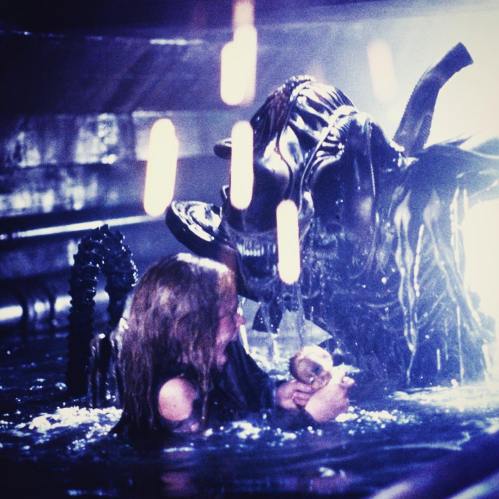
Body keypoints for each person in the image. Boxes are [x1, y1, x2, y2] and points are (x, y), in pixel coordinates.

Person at [115, 253, 353, 438]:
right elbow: (222, 458)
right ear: (193, 328)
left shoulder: (225, 350)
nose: (241, 320)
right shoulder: (175, 392)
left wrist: (279, 395)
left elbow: (256, 390)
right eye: (230, 313)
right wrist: (311, 417)